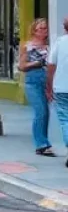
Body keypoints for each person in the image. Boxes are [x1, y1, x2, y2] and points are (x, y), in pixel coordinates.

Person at [19, 19, 53, 156]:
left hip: (45, 81)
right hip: (32, 81)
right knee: (40, 112)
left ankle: (43, 144)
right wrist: (36, 63)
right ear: (34, 30)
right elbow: (21, 66)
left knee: (46, 112)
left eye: (45, 28)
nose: (44, 31)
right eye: (41, 28)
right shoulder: (27, 46)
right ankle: (41, 143)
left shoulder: (49, 47)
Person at [44, 17, 68, 166]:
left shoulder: (59, 42)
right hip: (61, 87)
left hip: (61, 87)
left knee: (65, 119)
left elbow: (51, 66)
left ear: (64, 28)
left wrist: (49, 86)